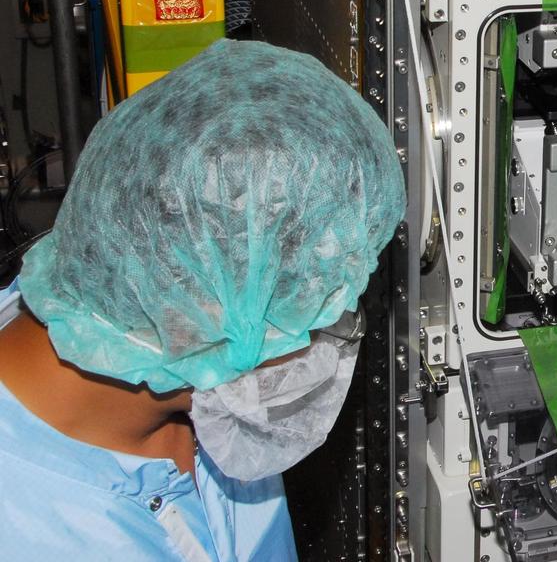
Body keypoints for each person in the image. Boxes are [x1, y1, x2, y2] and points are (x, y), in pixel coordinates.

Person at [0, 40, 406, 560]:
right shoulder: (33, 531)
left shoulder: (197, 390)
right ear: (199, 315)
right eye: (325, 313)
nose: (341, 333)